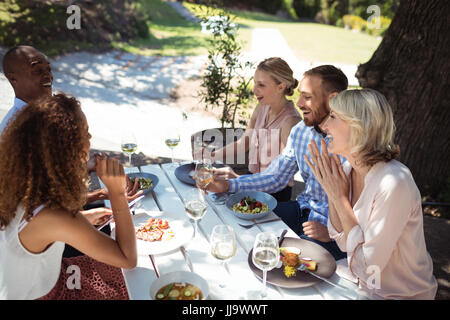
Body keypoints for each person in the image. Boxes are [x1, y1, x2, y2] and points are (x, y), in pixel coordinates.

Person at [0, 93, 137, 299]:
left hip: (46, 277)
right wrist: (116, 193)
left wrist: (83, 219)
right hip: (51, 293)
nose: (90, 139)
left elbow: (38, 230)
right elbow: (127, 258)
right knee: (134, 282)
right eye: (85, 133)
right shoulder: (55, 217)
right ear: (66, 150)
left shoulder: (17, 182)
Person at [205, 65, 348, 260]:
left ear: (332, 99)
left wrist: (334, 233)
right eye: (299, 96)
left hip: (334, 230)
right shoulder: (301, 131)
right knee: (235, 221)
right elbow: (275, 177)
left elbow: (364, 211)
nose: (299, 103)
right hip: (302, 210)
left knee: (287, 262)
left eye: (307, 97)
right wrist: (229, 185)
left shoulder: (353, 142)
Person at [304, 89, 437, 299]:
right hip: (361, 283)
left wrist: (339, 198)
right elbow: (342, 242)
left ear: (359, 127)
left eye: (333, 117)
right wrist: (331, 189)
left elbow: (368, 268)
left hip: (396, 294)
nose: (324, 126)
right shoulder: (347, 170)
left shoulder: (394, 182)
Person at [199, 57, 301, 202]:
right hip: (249, 180)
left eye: (261, 85)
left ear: (281, 87)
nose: (254, 90)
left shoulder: (290, 122)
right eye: (255, 83)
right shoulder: (262, 107)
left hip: (273, 194)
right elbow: (243, 144)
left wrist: (237, 180)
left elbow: (278, 178)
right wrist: (211, 155)